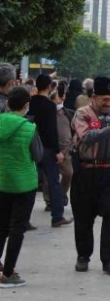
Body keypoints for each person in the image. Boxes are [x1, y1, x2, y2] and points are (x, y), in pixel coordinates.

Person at [71, 76, 110, 276]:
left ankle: (109, 259)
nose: (108, 103)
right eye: (104, 100)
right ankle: (83, 256)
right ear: (94, 97)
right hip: (87, 171)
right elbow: (87, 137)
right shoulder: (82, 114)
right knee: (84, 217)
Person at [0, 87, 43, 288]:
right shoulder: (30, 128)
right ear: (26, 106)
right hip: (24, 185)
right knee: (17, 229)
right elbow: (38, 155)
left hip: (2, 182)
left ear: (8, 104)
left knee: (0, 227)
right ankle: (8, 273)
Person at [28, 74, 73, 228]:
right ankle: (57, 216)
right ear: (49, 87)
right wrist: (57, 151)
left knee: (31, 183)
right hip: (47, 148)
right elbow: (51, 131)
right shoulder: (49, 106)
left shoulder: (30, 103)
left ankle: (24, 217)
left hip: (30, 145)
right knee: (53, 181)